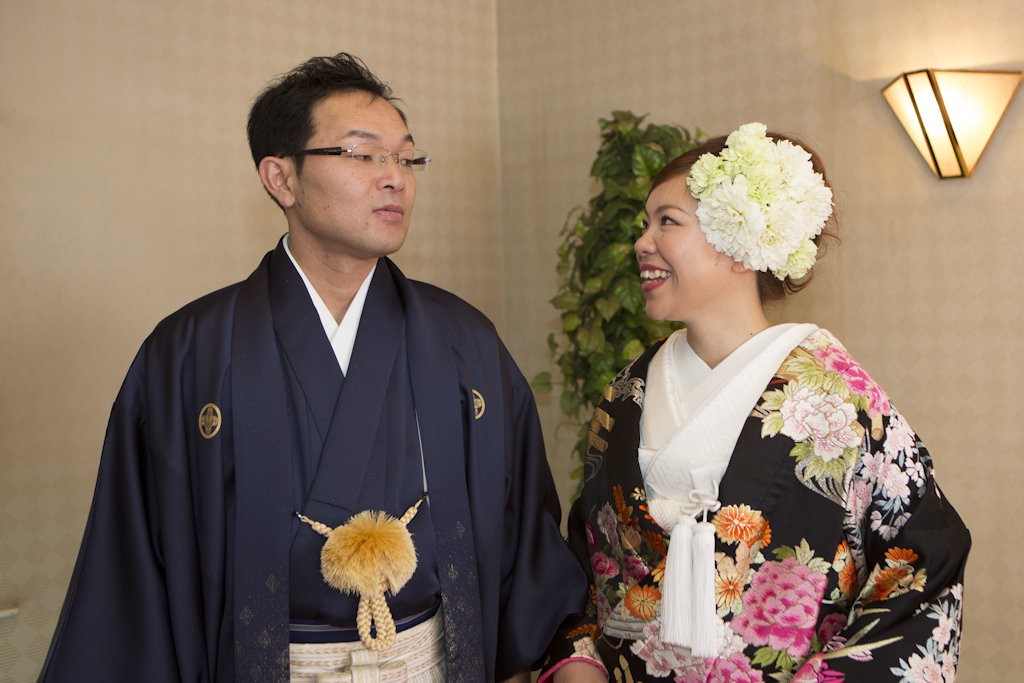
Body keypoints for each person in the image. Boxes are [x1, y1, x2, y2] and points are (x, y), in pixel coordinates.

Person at [38, 53, 588, 683]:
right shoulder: (189, 352)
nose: (396, 178)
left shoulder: (464, 339)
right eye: (363, 155)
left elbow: (526, 531)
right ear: (282, 179)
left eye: (407, 157)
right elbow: (129, 567)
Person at [541, 124, 970, 682]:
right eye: (645, 223)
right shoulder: (628, 391)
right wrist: (579, 658)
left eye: (667, 222)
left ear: (739, 244)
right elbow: (584, 554)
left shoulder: (832, 394)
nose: (642, 242)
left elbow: (923, 561)